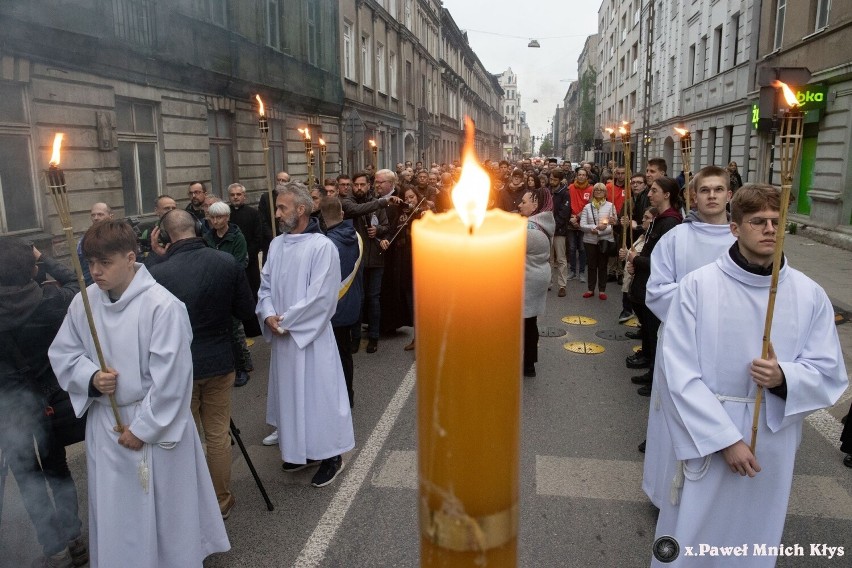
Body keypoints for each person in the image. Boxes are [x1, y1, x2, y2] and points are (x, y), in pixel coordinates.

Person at [650, 184, 847, 565]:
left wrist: (784, 378)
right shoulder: (697, 287)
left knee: (753, 538)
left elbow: (829, 373)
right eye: (758, 221)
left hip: (773, 439)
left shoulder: (809, 295)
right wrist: (726, 440)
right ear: (735, 228)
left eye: (777, 221)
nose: (770, 229)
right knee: (694, 533)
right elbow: (677, 374)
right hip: (708, 435)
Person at [48, 219, 230, 567]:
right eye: (90, 263)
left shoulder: (163, 306)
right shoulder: (84, 303)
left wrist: (143, 429)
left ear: (131, 258)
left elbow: (173, 380)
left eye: (105, 263)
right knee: (118, 508)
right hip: (107, 424)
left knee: (164, 506)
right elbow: (63, 353)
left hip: (154, 425)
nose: (96, 272)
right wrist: (91, 378)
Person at [149, 209, 254, 518]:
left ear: (166, 237)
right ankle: (221, 500)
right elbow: (247, 311)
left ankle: (193, 504)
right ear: (198, 228)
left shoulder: (157, 274)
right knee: (218, 435)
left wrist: (158, 259)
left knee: (185, 438)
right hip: (220, 361)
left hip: (180, 368)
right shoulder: (225, 262)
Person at [640, 166, 735, 501]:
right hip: (681, 341)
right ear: (694, 195)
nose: (711, 196)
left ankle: (705, 498)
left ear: (729, 195)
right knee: (673, 415)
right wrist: (701, 306)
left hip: (726, 345)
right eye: (704, 190)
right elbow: (658, 291)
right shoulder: (676, 238)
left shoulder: (741, 239)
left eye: (718, 190)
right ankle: (662, 492)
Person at [257, 182, 355, 487]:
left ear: (301, 210)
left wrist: (284, 321)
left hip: (310, 339)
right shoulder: (276, 245)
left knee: (318, 399)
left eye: (282, 207)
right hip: (285, 338)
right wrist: (268, 312)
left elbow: (321, 298)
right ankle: (303, 451)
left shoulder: (322, 247)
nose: (276, 213)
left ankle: (331, 456)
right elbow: (266, 286)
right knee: (292, 399)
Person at [0, 238, 86, 568]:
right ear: (32, 269)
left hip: (10, 408)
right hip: (50, 399)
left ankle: (54, 548)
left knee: (27, 476)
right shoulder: (50, 300)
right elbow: (79, 282)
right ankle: (74, 538)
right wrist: (42, 256)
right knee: (56, 468)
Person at [624, 176, 682, 395]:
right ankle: (649, 363)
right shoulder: (660, 219)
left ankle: (655, 377)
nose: (649, 194)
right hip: (645, 278)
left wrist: (635, 260)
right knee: (647, 330)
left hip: (654, 281)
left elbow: (662, 260)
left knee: (655, 331)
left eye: (654, 191)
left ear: (667, 195)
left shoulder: (671, 222)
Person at [323, 196, 364, 407]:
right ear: (342, 214)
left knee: (332, 357)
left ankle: (337, 398)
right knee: (345, 354)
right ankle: (349, 395)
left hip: (333, 308)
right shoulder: (356, 235)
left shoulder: (325, 244)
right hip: (352, 303)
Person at [518, 186, 555, 378]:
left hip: (528, 278)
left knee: (526, 322)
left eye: (524, 202)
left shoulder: (529, 229)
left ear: (535, 205)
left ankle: (527, 364)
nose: (520, 204)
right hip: (537, 275)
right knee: (529, 321)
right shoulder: (542, 222)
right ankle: (528, 362)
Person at [579, 183, 616, 300]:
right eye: (596, 190)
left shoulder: (611, 206)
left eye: (601, 190)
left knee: (602, 266)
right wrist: (594, 228)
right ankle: (590, 289)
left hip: (605, 240)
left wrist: (600, 232)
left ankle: (602, 290)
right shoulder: (587, 207)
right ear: (593, 192)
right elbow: (582, 225)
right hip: (589, 241)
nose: (598, 191)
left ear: (605, 193)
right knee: (591, 266)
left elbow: (612, 226)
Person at [77, 202, 113, 286]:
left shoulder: (120, 236)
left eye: (100, 214)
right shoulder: (84, 240)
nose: (96, 218)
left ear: (111, 216)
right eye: (93, 215)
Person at [549, 168, 571, 297]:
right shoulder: (548, 191)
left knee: (561, 259)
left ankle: (562, 285)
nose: (552, 181)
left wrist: (554, 225)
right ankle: (548, 282)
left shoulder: (565, 193)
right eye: (551, 178)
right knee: (549, 259)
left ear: (559, 180)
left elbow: (564, 213)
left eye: (554, 179)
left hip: (559, 230)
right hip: (547, 229)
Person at [568, 168, 592, 282]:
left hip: (584, 222)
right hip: (571, 221)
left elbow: (590, 206)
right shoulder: (570, 187)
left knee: (582, 249)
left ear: (587, 177)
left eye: (583, 175)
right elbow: (567, 204)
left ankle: (582, 272)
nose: (581, 177)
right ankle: (572, 271)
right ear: (576, 176)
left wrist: (578, 218)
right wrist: (572, 218)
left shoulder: (591, 189)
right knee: (572, 248)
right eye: (579, 175)